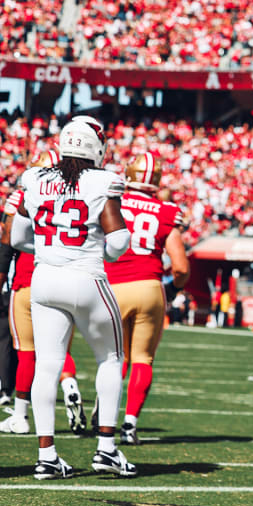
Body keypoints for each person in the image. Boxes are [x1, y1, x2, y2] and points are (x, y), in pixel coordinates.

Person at [13, 116, 135, 479]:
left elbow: (17, 235)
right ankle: (107, 450)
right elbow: (118, 241)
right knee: (111, 358)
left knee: (47, 365)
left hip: (44, 280)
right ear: (96, 147)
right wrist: (100, 251)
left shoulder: (34, 179)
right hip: (86, 278)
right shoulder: (103, 181)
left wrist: (49, 249)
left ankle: (47, 454)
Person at [104, 152, 190, 445]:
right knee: (142, 358)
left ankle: (103, 417)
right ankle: (129, 424)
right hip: (150, 286)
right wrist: (172, 290)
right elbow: (181, 267)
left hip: (113, 285)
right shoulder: (166, 211)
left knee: (114, 358)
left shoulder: (112, 201)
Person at [0, 150, 86, 436]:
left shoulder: (23, 199)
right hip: (64, 278)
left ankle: (22, 416)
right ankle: (69, 383)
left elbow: (8, 241)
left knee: (27, 352)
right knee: (59, 349)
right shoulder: (76, 197)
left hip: (27, 279)